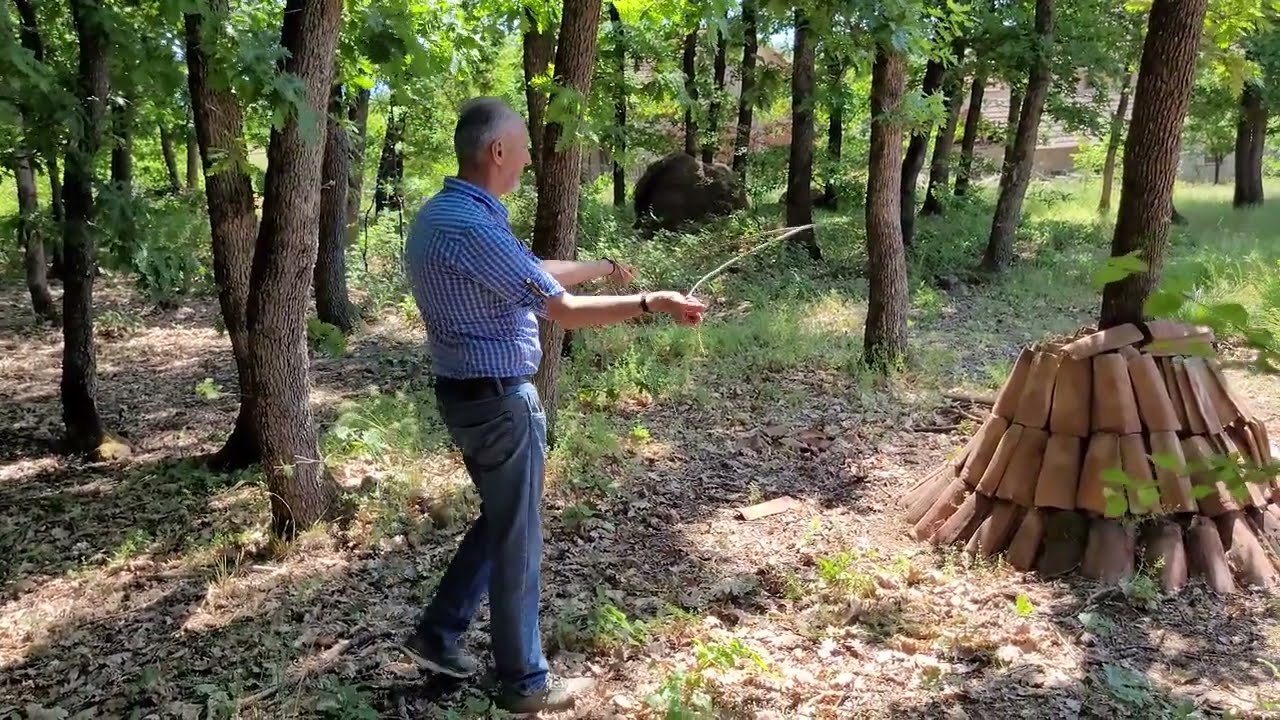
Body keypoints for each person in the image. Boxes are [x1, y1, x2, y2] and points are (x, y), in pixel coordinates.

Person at [400, 96, 706, 714]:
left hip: (465, 397)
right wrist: (653, 302)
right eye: (525, 150)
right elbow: (560, 312)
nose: (530, 162)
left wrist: (601, 266)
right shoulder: (475, 226)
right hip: (498, 405)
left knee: (502, 519)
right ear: (497, 152)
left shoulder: (442, 215)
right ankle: (524, 683)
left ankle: (438, 634)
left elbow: (526, 269)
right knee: (519, 540)